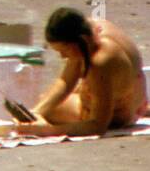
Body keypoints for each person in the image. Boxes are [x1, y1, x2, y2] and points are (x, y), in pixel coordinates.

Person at [15, 8, 148, 136]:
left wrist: (49, 131)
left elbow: (98, 125)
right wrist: (35, 114)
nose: (62, 57)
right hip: (136, 100)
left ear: (82, 40)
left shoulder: (101, 61)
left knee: (50, 109)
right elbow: (66, 81)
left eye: (64, 51)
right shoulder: (89, 31)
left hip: (119, 115)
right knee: (44, 104)